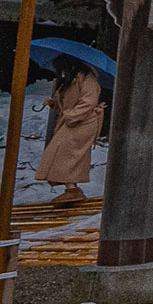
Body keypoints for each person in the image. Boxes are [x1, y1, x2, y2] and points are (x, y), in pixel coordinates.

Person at [37, 56, 103, 206]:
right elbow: (69, 102)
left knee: (66, 154)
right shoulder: (70, 80)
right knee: (64, 154)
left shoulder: (87, 79)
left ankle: (72, 190)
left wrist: (71, 116)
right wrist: (54, 104)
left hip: (83, 122)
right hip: (74, 122)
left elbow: (89, 102)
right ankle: (71, 188)